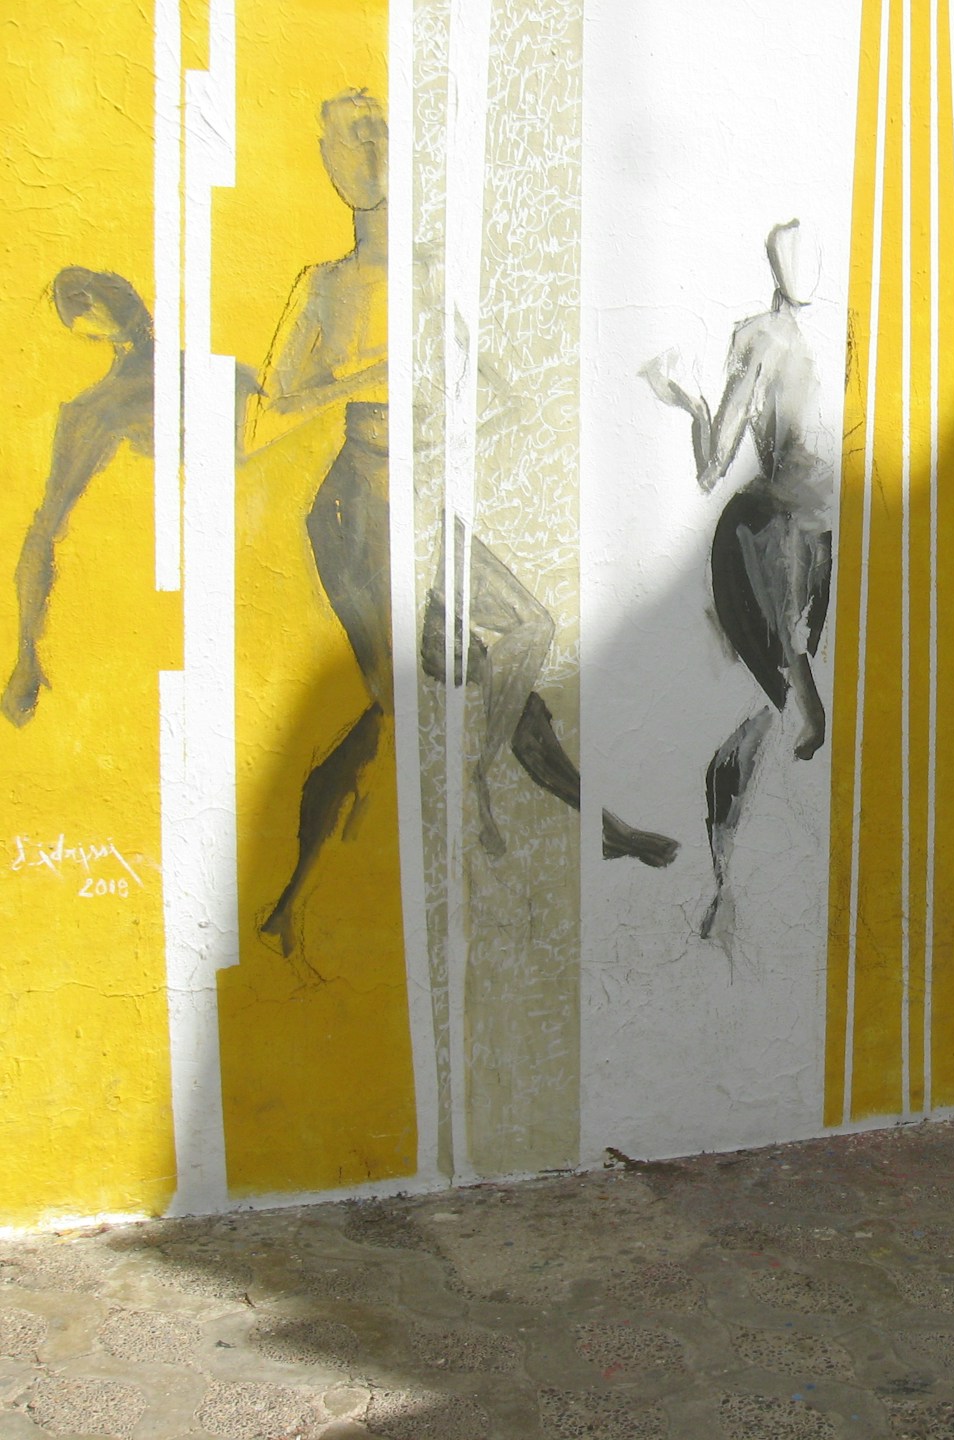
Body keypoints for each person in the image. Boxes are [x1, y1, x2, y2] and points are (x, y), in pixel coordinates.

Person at [644, 219, 834, 939]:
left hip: (804, 539)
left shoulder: (798, 340)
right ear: (777, 265)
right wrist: (691, 403)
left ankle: (732, 882)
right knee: (792, 711)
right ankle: (732, 881)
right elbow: (714, 461)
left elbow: (715, 458)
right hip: (774, 538)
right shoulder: (765, 340)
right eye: (796, 255)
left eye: (812, 254)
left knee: (782, 715)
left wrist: (689, 402)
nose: (807, 267)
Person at [254, 89, 391, 959]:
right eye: (346, 141)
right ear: (329, 165)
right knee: (397, 705)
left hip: (417, 500)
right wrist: (365, 376)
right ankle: (297, 899)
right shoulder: (325, 285)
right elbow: (275, 404)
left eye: (376, 133)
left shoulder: (435, 272)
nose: (364, 154)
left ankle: (291, 906)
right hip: (352, 506)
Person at [420, 525, 678, 866]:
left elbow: (528, 635)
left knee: (550, 759)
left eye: (451, 671)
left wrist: (485, 785)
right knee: (552, 764)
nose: (453, 680)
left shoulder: (490, 657)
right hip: (513, 711)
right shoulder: (486, 659)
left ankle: (617, 834)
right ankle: (618, 834)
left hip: (515, 711)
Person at [6, 269, 156, 726]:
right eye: (73, 299)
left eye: (97, 289)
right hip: (122, 621)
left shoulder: (222, 377)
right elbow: (44, 533)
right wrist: (26, 655)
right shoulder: (90, 415)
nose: (87, 301)